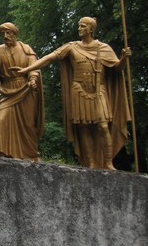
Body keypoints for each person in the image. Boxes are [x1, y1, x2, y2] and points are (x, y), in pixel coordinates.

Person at [11, 17, 131, 170]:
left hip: (98, 90)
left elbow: (117, 68)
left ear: (90, 29)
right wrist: (27, 69)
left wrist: (123, 58)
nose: (79, 29)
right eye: (79, 26)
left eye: (82, 26)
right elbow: (49, 58)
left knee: (103, 125)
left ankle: (108, 162)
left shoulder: (103, 48)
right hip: (79, 90)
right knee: (84, 127)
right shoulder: (71, 47)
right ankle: (91, 162)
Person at [0, 23, 45, 161]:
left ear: (15, 34)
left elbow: (34, 66)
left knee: (27, 123)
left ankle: (29, 154)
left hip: (25, 89)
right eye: (3, 34)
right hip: (6, 91)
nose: (5, 36)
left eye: (9, 33)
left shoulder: (26, 49)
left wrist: (32, 78)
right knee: (1, 119)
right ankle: (2, 152)